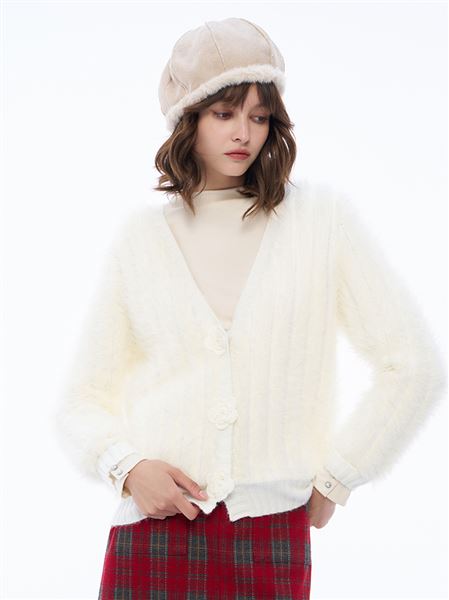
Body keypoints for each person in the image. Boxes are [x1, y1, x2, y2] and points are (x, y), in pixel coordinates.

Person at [53, 17, 447, 599]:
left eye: (260, 117)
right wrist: (128, 469)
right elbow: (81, 400)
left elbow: (412, 364)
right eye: (224, 113)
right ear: (188, 119)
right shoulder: (142, 239)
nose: (244, 133)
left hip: (271, 536)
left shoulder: (321, 222)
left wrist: (339, 476)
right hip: (153, 531)